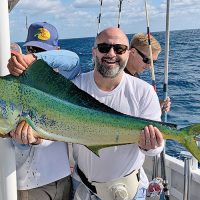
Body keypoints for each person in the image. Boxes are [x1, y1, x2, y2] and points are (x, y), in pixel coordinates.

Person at [8, 27, 164, 200]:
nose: (111, 54)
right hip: (83, 190)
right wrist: (35, 139)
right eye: (104, 48)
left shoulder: (145, 92)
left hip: (132, 192)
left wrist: (150, 145)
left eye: (119, 49)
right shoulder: (75, 87)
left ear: (128, 53)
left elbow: (155, 150)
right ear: (94, 52)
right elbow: (57, 128)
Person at [8, 22, 80, 200]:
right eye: (32, 49)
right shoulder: (17, 81)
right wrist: (23, 142)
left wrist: (36, 60)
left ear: (55, 51)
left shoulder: (62, 81)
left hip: (63, 178)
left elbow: (73, 60)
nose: (36, 54)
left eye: (41, 51)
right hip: (30, 186)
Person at [125, 33, 171, 112]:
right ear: (133, 52)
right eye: (147, 60)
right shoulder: (118, 77)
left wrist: (155, 105)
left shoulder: (134, 77)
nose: (150, 66)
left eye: (153, 62)